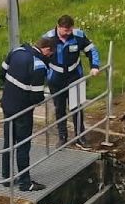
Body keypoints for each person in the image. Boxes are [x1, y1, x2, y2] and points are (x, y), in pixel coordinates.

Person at [0, 35, 55, 191]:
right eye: (50, 55)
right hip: (23, 111)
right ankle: (25, 182)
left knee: (8, 143)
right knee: (23, 146)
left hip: (7, 104)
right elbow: (36, 96)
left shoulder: (16, 51)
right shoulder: (38, 66)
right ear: (46, 50)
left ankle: (6, 177)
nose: (50, 58)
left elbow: (2, 72)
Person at [40, 14, 100, 145]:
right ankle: (62, 137)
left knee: (77, 107)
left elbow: (91, 50)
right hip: (56, 78)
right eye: (65, 30)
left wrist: (94, 66)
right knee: (59, 108)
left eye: (69, 30)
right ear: (58, 27)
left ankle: (80, 136)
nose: (67, 33)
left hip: (75, 76)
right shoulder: (48, 38)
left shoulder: (78, 35)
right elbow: (40, 56)